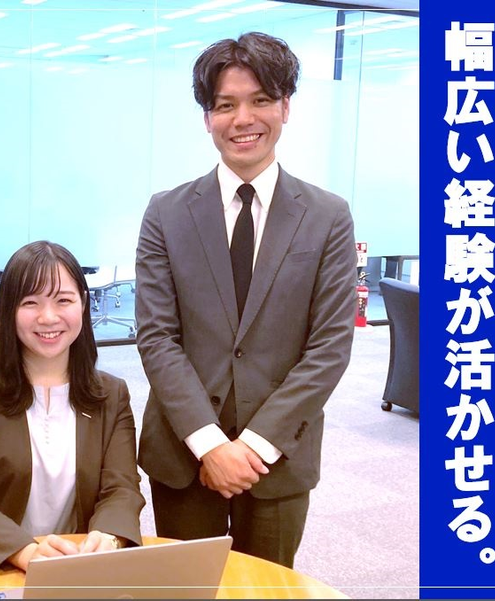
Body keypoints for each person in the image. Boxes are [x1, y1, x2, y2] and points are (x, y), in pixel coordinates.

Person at [134, 32, 357, 568]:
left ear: (285, 107)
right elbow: (157, 337)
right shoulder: (166, 213)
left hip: (278, 456)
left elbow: (329, 347)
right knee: (187, 588)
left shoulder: (327, 216)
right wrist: (210, 444)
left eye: (260, 100)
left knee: (268, 590)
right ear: (207, 117)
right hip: (185, 454)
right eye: (225, 105)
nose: (243, 119)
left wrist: (253, 447)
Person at [0, 240, 144, 571]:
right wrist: (27, 553)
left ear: (83, 304)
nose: (48, 317)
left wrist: (108, 537)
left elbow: (121, 489)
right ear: (9, 309)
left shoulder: (111, 394)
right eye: (30, 302)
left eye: (63, 300)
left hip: (73, 566)